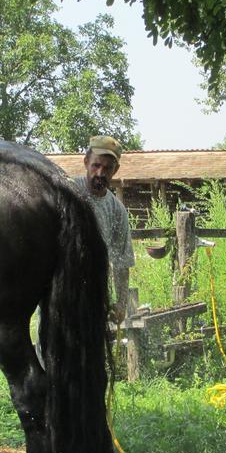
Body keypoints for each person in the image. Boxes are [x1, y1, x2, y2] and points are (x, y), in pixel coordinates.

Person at [77, 135, 135, 323]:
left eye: (107, 168)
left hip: (95, 297)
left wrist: (121, 304)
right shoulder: (67, 192)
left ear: (115, 170)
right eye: (96, 165)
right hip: (59, 294)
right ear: (86, 162)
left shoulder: (117, 211)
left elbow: (122, 262)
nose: (100, 173)